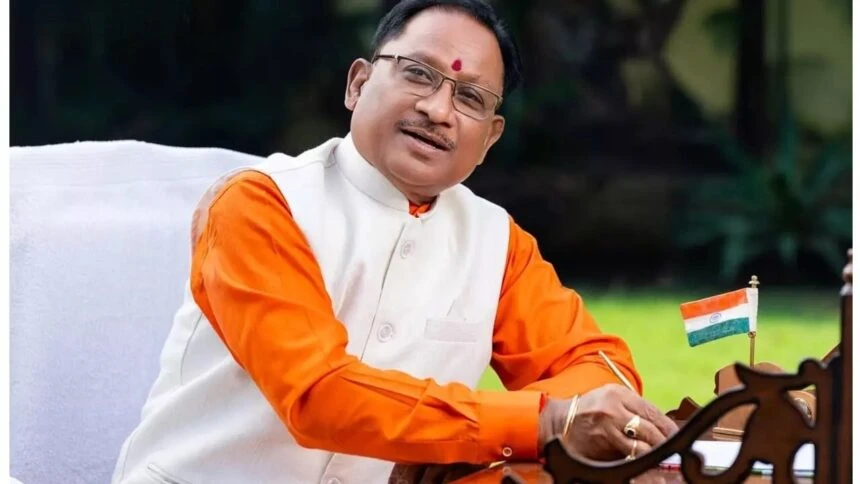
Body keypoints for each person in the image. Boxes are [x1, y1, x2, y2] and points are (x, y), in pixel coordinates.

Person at [111, 0, 677, 482]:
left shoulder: (496, 242)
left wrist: (482, 437)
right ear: (358, 84)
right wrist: (538, 422)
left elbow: (601, 369)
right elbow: (319, 397)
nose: (438, 110)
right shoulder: (262, 204)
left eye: (470, 98)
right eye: (419, 74)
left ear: (489, 139)